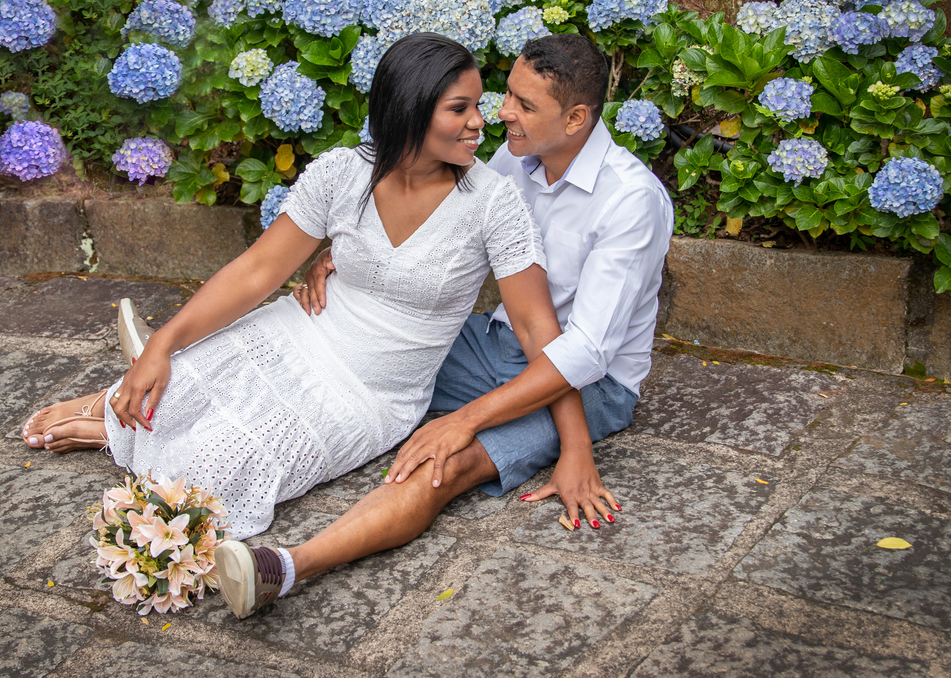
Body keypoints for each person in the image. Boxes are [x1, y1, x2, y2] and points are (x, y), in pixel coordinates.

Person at [20, 32, 619, 615]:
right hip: (303, 327)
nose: (480, 123)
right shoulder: (340, 174)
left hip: (370, 393)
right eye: (460, 109)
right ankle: (124, 404)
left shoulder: (492, 201)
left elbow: (542, 332)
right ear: (409, 112)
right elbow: (258, 270)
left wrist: (576, 446)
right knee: (173, 384)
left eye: (478, 107)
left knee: (221, 465)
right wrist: (164, 345)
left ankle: (126, 428)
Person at [228, 33, 673, 620]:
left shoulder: (631, 201)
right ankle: (158, 408)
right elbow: (445, 215)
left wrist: (559, 443)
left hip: (590, 385)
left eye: (522, 104)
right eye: (506, 94)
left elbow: (582, 353)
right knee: (342, 343)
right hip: (491, 342)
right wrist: (344, 253)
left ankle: (283, 568)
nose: (500, 114)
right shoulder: (517, 152)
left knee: (447, 462)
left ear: (576, 118)